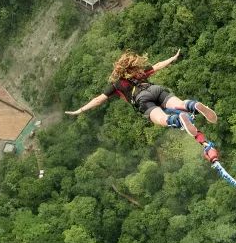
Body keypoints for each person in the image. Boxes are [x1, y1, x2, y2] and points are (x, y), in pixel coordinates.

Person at [65, 50, 220, 162]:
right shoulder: (139, 73)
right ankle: (192, 105)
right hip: (155, 89)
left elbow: (98, 99)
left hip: (142, 99)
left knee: (161, 118)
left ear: (118, 70)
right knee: (180, 104)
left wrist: (80, 110)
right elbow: (158, 65)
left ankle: (177, 120)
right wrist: (173, 58)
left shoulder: (117, 84)